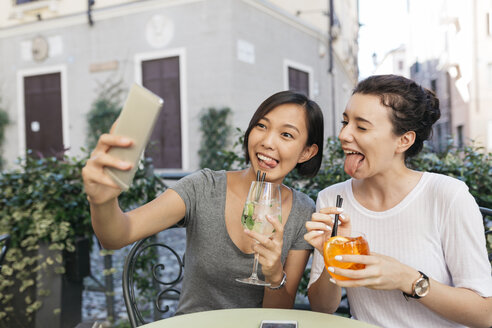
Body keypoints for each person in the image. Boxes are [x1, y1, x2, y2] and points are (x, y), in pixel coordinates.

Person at [82, 90, 324, 314]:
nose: (268, 142)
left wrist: (274, 275)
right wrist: (102, 201)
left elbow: (278, 315)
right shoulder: (204, 188)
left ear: (306, 152)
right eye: (261, 126)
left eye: (286, 135)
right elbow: (116, 236)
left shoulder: (302, 211)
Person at [304, 75, 492, 327]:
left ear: (404, 140)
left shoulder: (447, 195)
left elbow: (484, 314)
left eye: (361, 127)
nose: (343, 135)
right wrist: (331, 258)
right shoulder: (333, 198)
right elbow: (322, 308)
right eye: (345, 122)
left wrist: (408, 279)